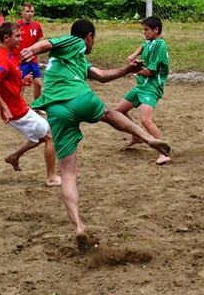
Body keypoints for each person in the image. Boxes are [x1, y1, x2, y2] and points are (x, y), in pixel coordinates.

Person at [20, 19, 171, 252]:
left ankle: (79, 226)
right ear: (88, 36)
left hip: (56, 112)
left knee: (68, 174)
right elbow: (47, 43)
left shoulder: (74, 60)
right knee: (109, 114)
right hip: (80, 98)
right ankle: (149, 138)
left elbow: (101, 75)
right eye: (94, 38)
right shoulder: (74, 41)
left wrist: (126, 70)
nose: (92, 43)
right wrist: (32, 48)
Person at [0, 21, 60, 187]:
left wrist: (22, 82)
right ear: (6, 38)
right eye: (17, 36)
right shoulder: (3, 58)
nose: (21, 39)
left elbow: (5, 82)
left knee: (40, 136)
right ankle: (51, 177)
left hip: (19, 107)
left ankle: (14, 156)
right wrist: (5, 108)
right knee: (50, 137)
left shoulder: (10, 54)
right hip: (16, 111)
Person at [114, 16, 171, 165]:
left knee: (146, 120)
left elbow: (150, 72)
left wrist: (133, 69)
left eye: (146, 30)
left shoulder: (159, 45)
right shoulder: (150, 42)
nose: (144, 33)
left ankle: (163, 153)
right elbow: (143, 45)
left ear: (156, 30)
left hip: (151, 88)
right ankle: (137, 136)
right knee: (119, 111)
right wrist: (134, 54)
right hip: (141, 86)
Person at [16, 2, 45, 100]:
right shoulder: (16, 26)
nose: (29, 14)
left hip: (33, 60)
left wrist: (35, 52)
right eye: (27, 11)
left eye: (32, 11)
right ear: (22, 12)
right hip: (21, 61)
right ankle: (18, 109)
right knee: (22, 85)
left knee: (38, 84)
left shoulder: (36, 26)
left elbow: (39, 42)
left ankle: (37, 106)